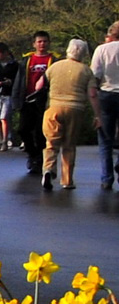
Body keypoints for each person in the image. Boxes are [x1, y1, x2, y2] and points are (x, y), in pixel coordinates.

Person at [45, 37, 97, 191]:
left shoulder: (54, 66)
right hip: (75, 109)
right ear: (83, 53)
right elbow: (92, 93)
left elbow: (39, 85)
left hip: (53, 107)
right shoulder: (86, 70)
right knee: (69, 146)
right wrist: (97, 115)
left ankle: (48, 169)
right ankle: (67, 180)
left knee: (51, 143)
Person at [19, 31, 56, 176]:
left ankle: (39, 160)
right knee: (23, 129)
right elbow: (19, 81)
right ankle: (31, 153)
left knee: (41, 133)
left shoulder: (53, 60)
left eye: (45, 41)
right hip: (28, 100)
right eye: (39, 42)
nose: (42, 44)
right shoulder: (26, 60)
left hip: (45, 102)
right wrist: (17, 100)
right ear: (34, 44)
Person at [92, 20, 119, 187]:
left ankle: (106, 178)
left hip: (106, 93)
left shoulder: (102, 49)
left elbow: (95, 75)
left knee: (105, 139)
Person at [0, 41, 23, 151]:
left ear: (5, 53)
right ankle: (0, 140)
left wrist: (10, 82)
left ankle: (5, 140)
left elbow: (18, 80)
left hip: (8, 94)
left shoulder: (15, 66)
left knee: (4, 117)